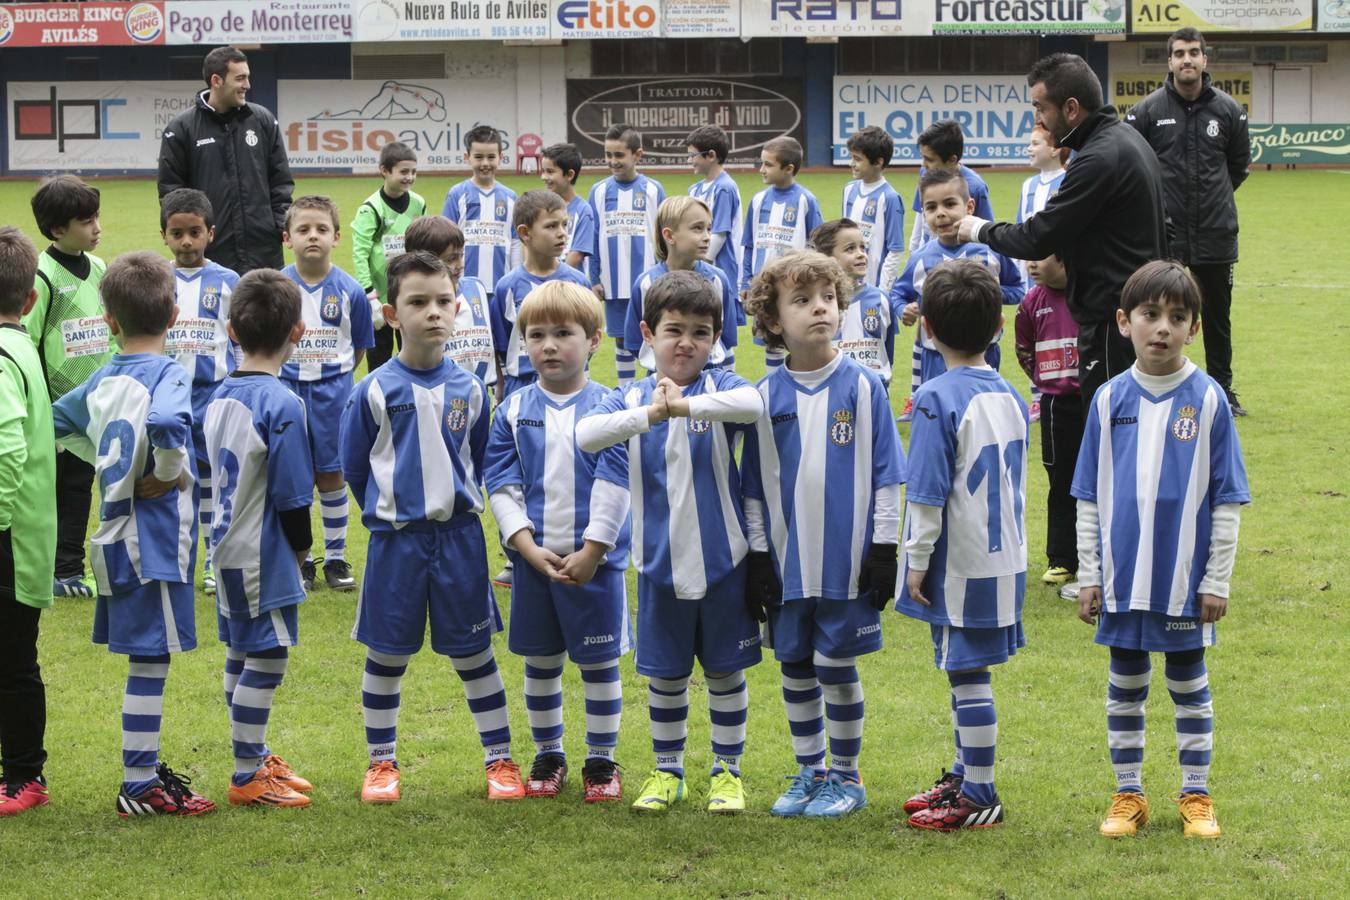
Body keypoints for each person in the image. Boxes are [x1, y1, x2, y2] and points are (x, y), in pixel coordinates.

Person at [577, 270, 764, 815]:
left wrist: (683, 406)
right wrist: (652, 412)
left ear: (717, 339)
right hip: (658, 564)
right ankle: (668, 771)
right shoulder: (628, 398)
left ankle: (727, 773)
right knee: (666, 675)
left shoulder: (721, 388)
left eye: (701, 332)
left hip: (724, 562)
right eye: (674, 329)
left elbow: (752, 405)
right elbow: (587, 435)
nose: (687, 342)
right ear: (646, 333)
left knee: (726, 672)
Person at [1074, 261, 1249, 840]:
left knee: (1188, 682)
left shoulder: (1209, 400)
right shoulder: (1105, 400)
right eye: (1150, 315)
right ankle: (1128, 793)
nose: (1163, 329)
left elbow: (1227, 499)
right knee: (1125, 682)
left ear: (1194, 328)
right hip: (1124, 580)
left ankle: (1196, 794)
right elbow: (1089, 497)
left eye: (1178, 318)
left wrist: (1216, 580)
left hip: (1183, 580)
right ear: (1124, 322)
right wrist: (1090, 573)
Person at [341, 251, 523, 804]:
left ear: (458, 307)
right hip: (396, 543)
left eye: (443, 301)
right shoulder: (372, 390)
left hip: (459, 541)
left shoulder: (471, 389)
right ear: (392, 314)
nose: (433, 313)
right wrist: (392, 511)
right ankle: (381, 764)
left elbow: (483, 460)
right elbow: (354, 467)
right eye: (418, 302)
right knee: (386, 655)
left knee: (475, 655)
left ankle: (500, 760)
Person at [740, 250, 906, 819]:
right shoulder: (762, 397)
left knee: (836, 665)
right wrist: (760, 558)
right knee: (794, 665)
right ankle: (809, 769)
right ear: (773, 321)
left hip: (847, 562)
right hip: (788, 566)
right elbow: (755, 489)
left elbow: (887, 476)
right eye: (802, 301)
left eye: (828, 299)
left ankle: (846, 775)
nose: (820, 310)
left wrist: (884, 550)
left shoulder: (863, 386)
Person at [52, 252, 215, 817]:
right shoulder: (170, 372)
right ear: (174, 316)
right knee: (150, 662)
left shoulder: (104, 376)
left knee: (148, 659)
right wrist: (165, 473)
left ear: (108, 320)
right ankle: (138, 782)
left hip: (113, 536)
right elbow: (171, 423)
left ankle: (141, 773)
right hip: (154, 542)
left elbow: (53, 420)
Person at [484, 281, 631, 803]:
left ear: (593, 339)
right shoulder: (512, 408)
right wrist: (524, 546)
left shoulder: (611, 406)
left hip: (595, 565)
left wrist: (594, 549)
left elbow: (617, 481)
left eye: (563, 333)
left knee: (598, 665)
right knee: (541, 662)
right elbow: (501, 483)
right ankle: (549, 754)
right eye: (536, 334)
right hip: (535, 564)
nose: (548, 345)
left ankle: (601, 759)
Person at [895, 258, 1028, 832]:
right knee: (964, 668)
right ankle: (961, 771)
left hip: (961, 562)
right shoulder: (1010, 393)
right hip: (1006, 559)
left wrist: (915, 564)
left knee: (967, 673)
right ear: (998, 327)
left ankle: (980, 793)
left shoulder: (934, 397)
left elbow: (925, 495)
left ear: (925, 328)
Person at [958, 52, 1168, 415]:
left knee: (1111, 432)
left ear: (1071, 108)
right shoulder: (1126, 141)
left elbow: (1038, 237)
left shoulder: (1099, 157)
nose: (1037, 119)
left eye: (1040, 108)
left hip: (1110, 324)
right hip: (1133, 314)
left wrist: (977, 228)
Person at [204, 268, 315, 809]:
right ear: (298, 332)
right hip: (262, 552)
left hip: (224, 544)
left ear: (231, 330)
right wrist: (305, 553)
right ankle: (248, 773)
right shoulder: (283, 403)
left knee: (242, 650)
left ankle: (255, 752)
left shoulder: (218, 394)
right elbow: (293, 495)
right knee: (268, 655)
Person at [1127, 27, 1251, 416]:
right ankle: (1160, 382)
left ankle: (1222, 391)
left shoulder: (1229, 110)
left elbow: (1237, 168)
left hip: (1216, 233)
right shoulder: (1147, 111)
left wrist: (1212, 198)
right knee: (1161, 311)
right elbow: (1133, 167)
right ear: (1169, 61)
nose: (1187, 60)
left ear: (1204, 59)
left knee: (1217, 317)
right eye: (1179, 53)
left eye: (1194, 53)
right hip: (1166, 236)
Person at [280, 195, 375, 593]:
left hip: (335, 392)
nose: (312, 236)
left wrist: (334, 375)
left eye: (321, 229)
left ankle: (335, 557)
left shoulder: (351, 291)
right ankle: (298, 559)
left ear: (336, 236)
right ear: (288, 238)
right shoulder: (279, 286)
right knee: (292, 477)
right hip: (285, 392)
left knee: (332, 475)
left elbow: (359, 347)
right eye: (303, 230)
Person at [23, 175, 109, 599]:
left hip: (95, 405)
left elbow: (109, 334)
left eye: (97, 218)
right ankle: (62, 570)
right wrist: (43, 408)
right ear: (58, 229)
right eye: (86, 221)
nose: (97, 227)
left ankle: (69, 567)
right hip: (57, 410)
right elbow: (28, 341)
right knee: (58, 491)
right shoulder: (42, 276)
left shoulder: (99, 269)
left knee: (83, 486)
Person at [0, 227, 57, 818]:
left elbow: (7, 450)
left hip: (9, 540)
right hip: (28, 535)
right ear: (31, 300)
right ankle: (20, 771)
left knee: (14, 663)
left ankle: (23, 775)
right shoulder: (21, 348)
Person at [160, 188, 240, 595]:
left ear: (210, 232)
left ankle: (213, 560)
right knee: (173, 478)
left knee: (214, 480)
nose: (186, 242)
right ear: (164, 236)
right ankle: (177, 561)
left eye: (194, 232)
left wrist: (238, 385)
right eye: (177, 234)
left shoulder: (229, 282)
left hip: (214, 395)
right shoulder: (157, 280)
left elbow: (239, 340)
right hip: (170, 399)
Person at [157, 46, 294, 274]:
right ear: (216, 80)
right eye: (240, 78)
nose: (247, 85)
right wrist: (192, 236)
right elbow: (172, 194)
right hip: (211, 254)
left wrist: (278, 226)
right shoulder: (181, 129)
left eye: (248, 77)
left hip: (264, 252)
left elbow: (280, 181)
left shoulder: (263, 120)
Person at [891, 170, 1024, 405]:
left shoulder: (990, 251)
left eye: (949, 204)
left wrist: (989, 292)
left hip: (984, 351)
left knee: (982, 409)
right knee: (939, 409)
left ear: (969, 206)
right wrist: (904, 310)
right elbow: (898, 294)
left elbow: (1017, 289)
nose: (940, 214)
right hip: (935, 355)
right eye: (931, 208)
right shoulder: (921, 258)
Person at [1014, 253, 1081, 588]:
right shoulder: (1031, 301)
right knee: (1061, 481)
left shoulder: (1089, 291)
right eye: (1028, 257)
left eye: (1041, 257)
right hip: (1056, 405)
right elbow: (1023, 348)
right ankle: (1063, 559)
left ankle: (1102, 553)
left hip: (1092, 401)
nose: (1032, 264)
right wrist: (1045, 379)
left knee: (1101, 478)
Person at [491, 190, 591, 401]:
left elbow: (589, 338)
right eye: (551, 226)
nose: (562, 233)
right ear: (525, 233)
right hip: (520, 386)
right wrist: (500, 389)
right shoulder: (506, 287)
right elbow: (500, 346)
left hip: (570, 385)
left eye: (564, 224)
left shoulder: (579, 282)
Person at [586, 123, 665, 386]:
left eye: (619, 155)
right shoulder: (598, 191)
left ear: (637, 155)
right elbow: (593, 236)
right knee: (621, 339)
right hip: (613, 281)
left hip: (649, 282)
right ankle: (625, 390)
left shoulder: (654, 189)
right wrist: (594, 277)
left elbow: (663, 235)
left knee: (654, 334)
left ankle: (653, 387)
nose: (612, 161)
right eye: (608, 155)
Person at [624, 196, 738, 374]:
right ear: (669, 235)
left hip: (709, 380)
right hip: (662, 382)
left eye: (709, 228)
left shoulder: (718, 280)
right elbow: (634, 342)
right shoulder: (645, 284)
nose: (707, 237)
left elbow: (726, 338)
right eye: (697, 228)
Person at [740, 136, 823, 370]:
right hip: (763, 286)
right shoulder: (757, 201)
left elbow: (816, 247)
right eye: (761, 163)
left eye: (768, 164)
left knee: (797, 339)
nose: (761, 169)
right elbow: (748, 245)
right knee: (770, 342)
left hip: (793, 286)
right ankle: (775, 391)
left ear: (788, 169)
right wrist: (745, 283)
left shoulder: (806, 200)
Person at [352, 142, 427, 373]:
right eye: (404, 171)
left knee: (413, 354)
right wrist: (370, 296)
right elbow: (360, 252)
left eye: (413, 172)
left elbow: (422, 245)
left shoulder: (419, 203)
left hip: (409, 293)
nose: (410, 177)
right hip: (379, 299)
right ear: (384, 170)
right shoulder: (371, 208)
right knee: (379, 361)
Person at [1012, 125, 1070, 424]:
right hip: (1030, 272)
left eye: (1035, 143)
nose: (1029, 148)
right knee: (1031, 333)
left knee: (1054, 331)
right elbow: (1022, 227)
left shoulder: (1069, 179)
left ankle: (1051, 391)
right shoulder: (1027, 186)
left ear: (1056, 148)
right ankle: (1037, 397)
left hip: (1056, 274)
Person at [404, 216, 496, 390]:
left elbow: (493, 342)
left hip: (480, 392)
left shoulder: (476, 287)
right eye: (450, 259)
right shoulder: (415, 303)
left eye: (461, 255)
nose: (460, 264)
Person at [812, 218, 899, 386]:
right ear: (827, 257)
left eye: (863, 247)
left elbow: (887, 354)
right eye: (850, 249)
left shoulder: (881, 299)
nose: (861, 254)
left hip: (878, 394)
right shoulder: (820, 305)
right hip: (836, 392)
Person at [442, 125, 518, 299]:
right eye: (479, 157)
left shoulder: (510, 197)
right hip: (463, 285)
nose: (485, 163)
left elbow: (515, 242)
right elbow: (445, 239)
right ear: (467, 157)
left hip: (501, 286)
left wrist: (514, 278)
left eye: (491, 157)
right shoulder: (457, 194)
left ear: (501, 158)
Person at [908, 120, 995, 253]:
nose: (923, 164)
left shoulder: (976, 187)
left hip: (960, 264)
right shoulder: (925, 173)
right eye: (923, 157)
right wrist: (914, 253)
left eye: (930, 159)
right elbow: (920, 219)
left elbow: (986, 234)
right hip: (929, 259)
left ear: (952, 160)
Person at [685, 125, 743, 320]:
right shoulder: (694, 189)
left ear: (711, 155)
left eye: (693, 155)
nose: (690, 161)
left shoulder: (725, 188)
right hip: (697, 268)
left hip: (720, 267)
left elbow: (720, 233)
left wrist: (701, 263)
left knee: (719, 325)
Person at [842, 126, 905, 293]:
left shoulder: (890, 198)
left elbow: (895, 250)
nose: (852, 164)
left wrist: (882, 291)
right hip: (849, 285)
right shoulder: (849, 190)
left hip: (875, 286)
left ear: (878, 162)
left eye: (858, 159)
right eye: (852, 157)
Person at [540, 143, 596, 273]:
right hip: (542, 283)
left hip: (569, 285)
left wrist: (554, 279)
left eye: (550, 172)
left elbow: (576, 255)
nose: (543, 177)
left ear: (570, 175)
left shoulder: (583, 210)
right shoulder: (540, 207)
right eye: (543, 171)